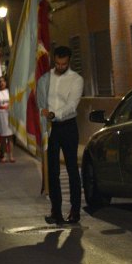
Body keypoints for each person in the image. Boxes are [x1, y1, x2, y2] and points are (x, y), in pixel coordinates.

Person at [42, 46, 84, 225]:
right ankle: (56, 211)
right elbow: (40, 100)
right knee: (53, 170)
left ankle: (75, 211)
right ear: (54, 60)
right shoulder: (46, 78)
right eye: (58, 63)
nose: (61, 66)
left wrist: (53, 114)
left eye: (64, 64)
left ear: (69, 61)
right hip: (51, 129)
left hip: (67, 126)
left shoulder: (76, 79)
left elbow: (72, 105)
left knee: (72, 169)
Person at [0, 76, 15, 163]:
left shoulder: (10, 92)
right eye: (0, 81)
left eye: (3, 81)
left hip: (9, 114)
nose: (2, 83)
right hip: (1, 115)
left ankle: (11, 155)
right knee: (3, 137)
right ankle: (3, 155)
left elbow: (14, 102)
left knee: (10, 136)